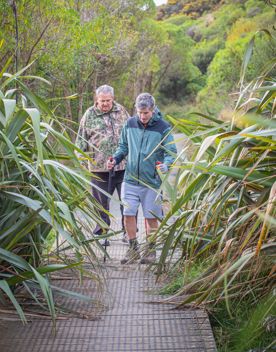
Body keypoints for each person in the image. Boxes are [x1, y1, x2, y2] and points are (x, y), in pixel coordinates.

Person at [107, 93, 177, 264]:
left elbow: (171, 152)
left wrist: (166, 165)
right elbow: (123, 146)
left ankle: (151, 251)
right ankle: (133, 249)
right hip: (130, 179)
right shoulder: (130, 124)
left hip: (152, 182)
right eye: (139, 112)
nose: (142, 116)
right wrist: (115, 159)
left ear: (153, 110)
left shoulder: (163, 127)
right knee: (128, 214)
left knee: (151, 217)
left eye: (146, 113)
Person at [75, 84, 129, 245]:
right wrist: (85, 163)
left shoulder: (121, 111)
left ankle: (128, 232)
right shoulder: (89, 115)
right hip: (98, 168)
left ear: (113, 99)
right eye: (102, 101)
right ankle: (102, 233)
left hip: (123, 167)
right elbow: (80, 142)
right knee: (101, 204)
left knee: (126, 202)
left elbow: (130, 135)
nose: (105, 104)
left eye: (108, 100)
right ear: (96, 100)